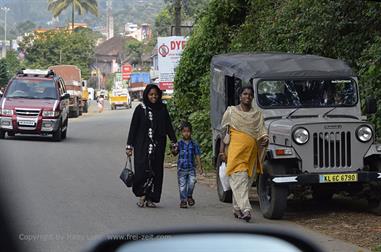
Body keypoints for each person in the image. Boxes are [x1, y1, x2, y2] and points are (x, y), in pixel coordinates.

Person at [219, 86, 269, 222]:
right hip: (235, 153)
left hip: (252, 154)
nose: (248, 96)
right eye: (245, 94)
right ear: (240, 96)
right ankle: (246, 210)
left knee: (245, 182)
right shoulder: (231, 112)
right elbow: (224, 132)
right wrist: (221, 151)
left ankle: (237, 208)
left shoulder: (257, 115)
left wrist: (265, 139)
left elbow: (262, 131)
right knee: (239, 179)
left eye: (250, 94)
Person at [126, 84, 177, 208]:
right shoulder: (140, 109)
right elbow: (133, 128)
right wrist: (129, 146)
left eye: (155, 95)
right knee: (142, 169)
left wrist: (174, 141)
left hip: (158, 146)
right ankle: (142, 195)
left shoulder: (162, 109)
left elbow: (168, 126)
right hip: (141, 145)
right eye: (151, 95)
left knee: (156, 171)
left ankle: (151, 198)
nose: (153, 97)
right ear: (146, 95)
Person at [174, 121, 204, 208]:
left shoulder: (194, 143)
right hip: (181, 168)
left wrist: (199, 166)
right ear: (181, 132)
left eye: (188, 131)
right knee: (182, 185)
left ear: (191, 132)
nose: (186, 133)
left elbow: (197, 155)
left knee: (192, 182)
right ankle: (183, 201)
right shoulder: (179, 143)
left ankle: (189, 196)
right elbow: (175, 153)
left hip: (191, 168)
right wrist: (174, 149)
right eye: (184, 131)